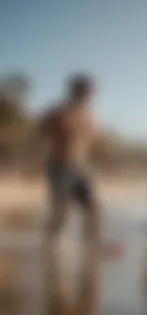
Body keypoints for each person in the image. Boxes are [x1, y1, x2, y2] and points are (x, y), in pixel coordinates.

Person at [32, 73, 100, 275]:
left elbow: (92, 140)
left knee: (94, 207)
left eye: (91, 93)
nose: (90, 96)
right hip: (59, 165)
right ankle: (49, 244)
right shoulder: (58, 111)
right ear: (76, 91)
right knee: (62, 210)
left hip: (82, 167)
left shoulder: (88, 115)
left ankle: (91, 245)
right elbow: (38, 133)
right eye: (87, 92)